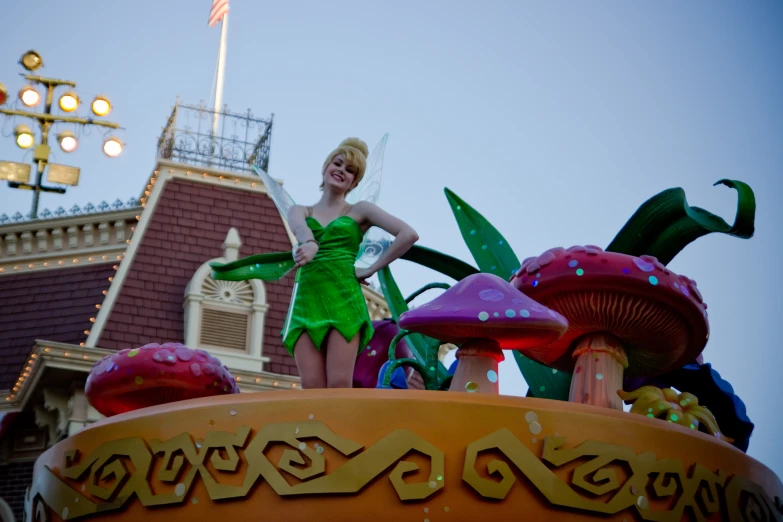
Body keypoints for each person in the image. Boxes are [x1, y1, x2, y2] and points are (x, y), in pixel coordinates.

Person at [213, 137, 418, 389]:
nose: (342, 171)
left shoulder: (360, 210)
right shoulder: (301, 211)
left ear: (355, 182)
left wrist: (370, 268)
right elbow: (299, 229)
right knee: (311, 385)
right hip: (306, 303)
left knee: (339, 383)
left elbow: (408, 234)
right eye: (338, 163)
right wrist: (309, 243)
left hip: (343, 300)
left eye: (350, 170)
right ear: (325, 166)